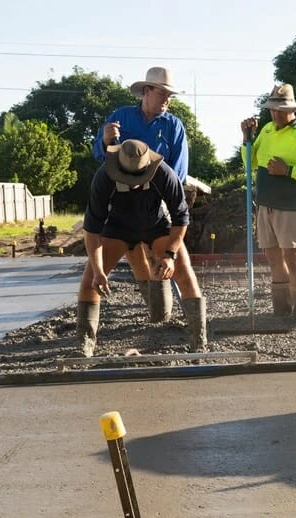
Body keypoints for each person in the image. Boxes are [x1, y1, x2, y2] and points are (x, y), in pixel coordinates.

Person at [77, 140, 206, 357]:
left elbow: (181, 218)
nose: (134, 183)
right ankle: (85, 343)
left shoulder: (165, 173)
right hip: (117, 228)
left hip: (156, 225)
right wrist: (99, 271)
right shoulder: (103, 178)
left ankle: (198, 339)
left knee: (185, 273)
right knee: (90, 282)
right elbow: (92, 230)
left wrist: (170, 255)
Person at [93, 66, 190, 320]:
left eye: (170, 96)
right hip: (123, 197)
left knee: (164, 254)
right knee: (135, 253)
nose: (167, 100)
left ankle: (164, 312)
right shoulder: (121, 118)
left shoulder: (173, 126)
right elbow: (100, 156)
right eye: (162, 94)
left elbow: (178, 170)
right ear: (146, 91)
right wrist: (105, 140)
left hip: (159, 197)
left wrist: (169, 198)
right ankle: (155, 309)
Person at [240, 84, 296, 316]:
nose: (275, 114)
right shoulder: (268, 130)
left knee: (294, 256)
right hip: (266, 203)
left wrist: (288, 170)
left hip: (292, 205)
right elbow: (250, 162)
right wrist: (246, 140)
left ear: (292, 109)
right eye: (272, 109)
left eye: (280, 109)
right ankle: (281, 309)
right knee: (273, 257)